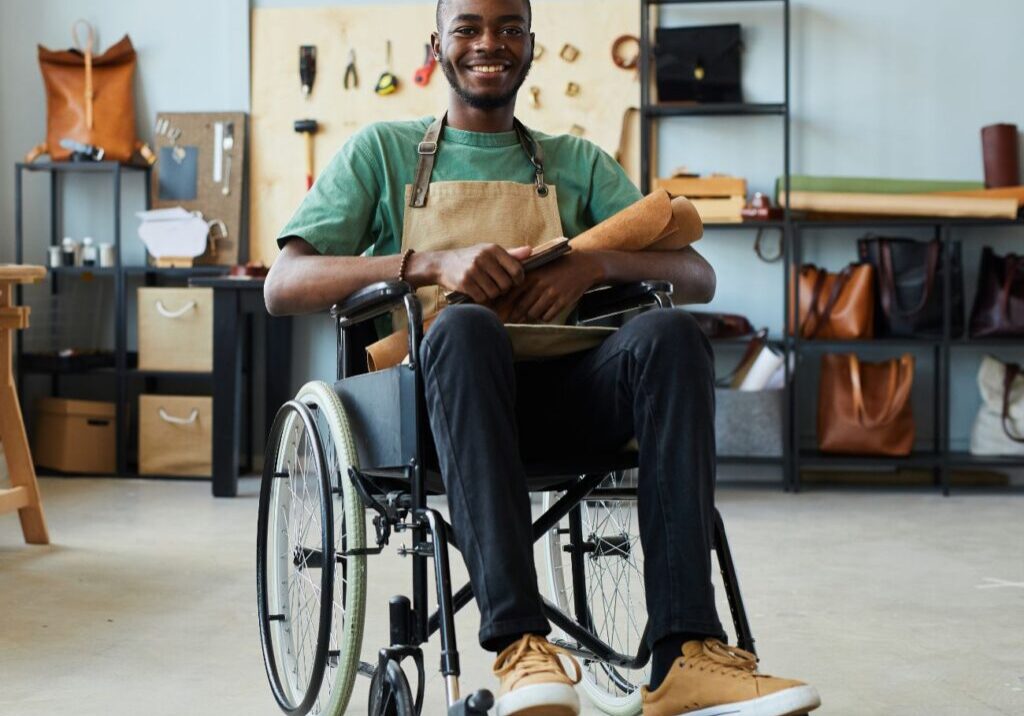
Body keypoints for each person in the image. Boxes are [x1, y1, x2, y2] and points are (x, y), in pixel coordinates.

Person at [265, 1, 820, 714]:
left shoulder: (575, 163)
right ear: (438, 45)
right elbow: (284, 284)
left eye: (508, 29)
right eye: (468, 28)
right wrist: (431, 263)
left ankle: (686, 654)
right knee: (465, 329)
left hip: (564, 403)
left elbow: (697, 276)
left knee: (673, 335)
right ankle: (521, 646)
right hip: (438, 412)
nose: (489, 44)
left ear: (530, 44)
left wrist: (591, 267)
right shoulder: (384, 151)